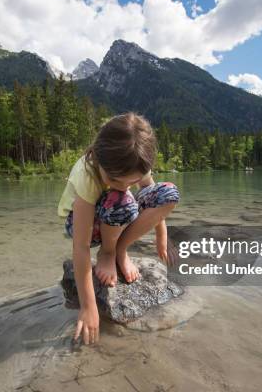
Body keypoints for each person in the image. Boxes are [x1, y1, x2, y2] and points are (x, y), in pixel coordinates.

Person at [57, 112, 180, 345]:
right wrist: (88, 306)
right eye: (115, 180)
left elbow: (152, 198)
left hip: (116, 216)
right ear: (99, 159)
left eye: (131, 183)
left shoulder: (135, 160)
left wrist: (162, 236)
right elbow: (81, 247)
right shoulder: (87, 174)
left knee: (168, 194)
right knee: (122, 200)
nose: (125, 187)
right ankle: (108, 252)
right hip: (84, 225)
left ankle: (119, 249)